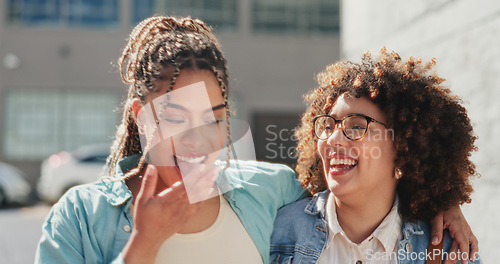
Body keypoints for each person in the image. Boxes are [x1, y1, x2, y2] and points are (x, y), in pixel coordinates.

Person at [35, 16, 476, 264]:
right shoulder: (81, 218)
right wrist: (145, 244)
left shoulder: (269, 193)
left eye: (213, 118)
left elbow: (363, 189)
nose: (197, 139)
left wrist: (439, 198)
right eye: (174, 116)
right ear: (140, 117)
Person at [270, 48, 481, 264]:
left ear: (404, 149)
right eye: (328, 125)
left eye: (357, 126)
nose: (333, 139)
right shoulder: (275, 235)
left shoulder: (448, 251)